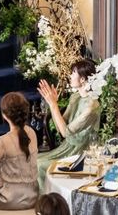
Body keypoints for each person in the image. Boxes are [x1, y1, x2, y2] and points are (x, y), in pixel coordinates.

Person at [36, 58, 101, 189]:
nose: (70, 76)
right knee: (35, 160)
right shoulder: (75, 97)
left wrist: (53, 105)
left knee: (40, 165)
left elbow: (65, 132)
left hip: (81, 153)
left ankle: (50, 200)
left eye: (73, 72)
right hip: (67, 147)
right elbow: (61, 125)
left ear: (82, 79)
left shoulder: (92, 106)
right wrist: (53, 104)